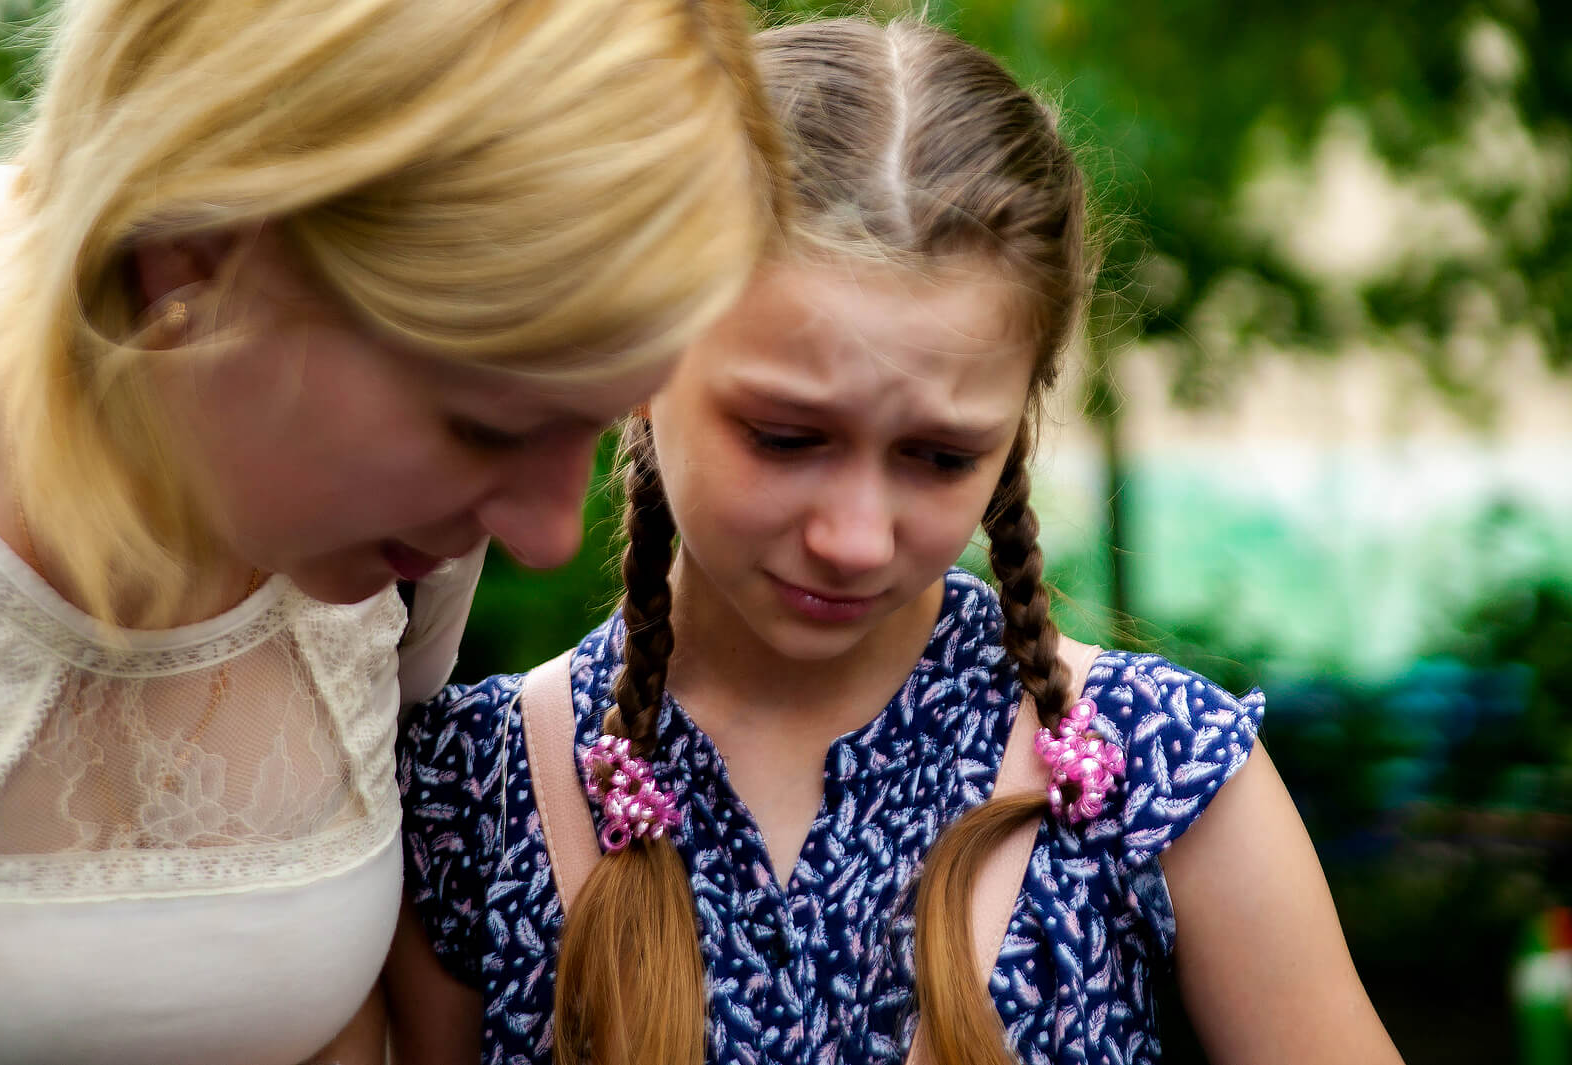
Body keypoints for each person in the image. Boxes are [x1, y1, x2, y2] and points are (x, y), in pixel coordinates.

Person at [391, 17, 1406, 1065]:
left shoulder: (1155, 775)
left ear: (1019, 417)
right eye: (786, 438)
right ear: (640, 356)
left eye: (936, 457)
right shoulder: (479, 795)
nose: (853, 538)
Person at [0, 0, 783, 1061]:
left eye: (589, 426)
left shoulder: (397, 538)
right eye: (487, 426)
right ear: (189, 259)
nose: (543, 535)